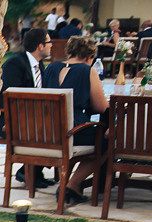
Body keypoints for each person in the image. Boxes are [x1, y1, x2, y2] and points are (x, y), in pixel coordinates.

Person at [43, 36, 109, 203]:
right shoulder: (87, 71)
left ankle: (67, 183)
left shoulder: (51, 68)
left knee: (94, 137)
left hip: (48, 132)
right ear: (90, 56)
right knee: (107, 141)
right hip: (72, 132)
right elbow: (101, 107)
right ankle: (71, 185)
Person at [0, 28, 54, 188]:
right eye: (49, 42)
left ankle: (35, 170)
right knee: (45, 129)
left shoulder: (39, 65)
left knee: (56, 126)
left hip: (32, 117)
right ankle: (28, 171)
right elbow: (8, 97)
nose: (52, 46)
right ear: (40, 46)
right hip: (11, 118)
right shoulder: (15, 64)